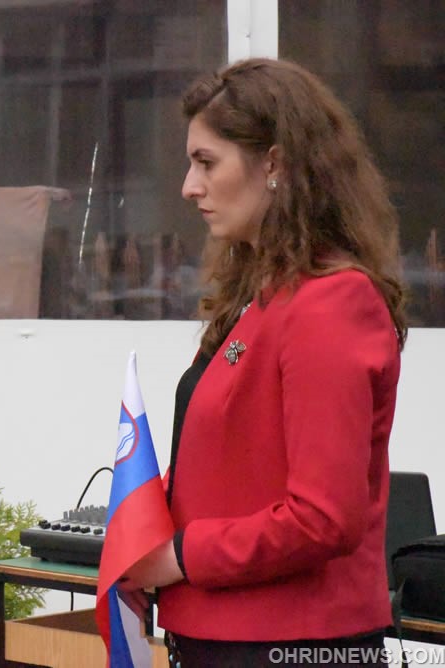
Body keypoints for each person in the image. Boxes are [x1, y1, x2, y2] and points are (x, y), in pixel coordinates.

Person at [116, 58, 408, 666]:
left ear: (274, 164)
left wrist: (178, 556)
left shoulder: (331, 303)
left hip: (292, 645)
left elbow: (324, 518)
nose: (188, 186)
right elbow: (221, 470)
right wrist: (139, 540)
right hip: (222, 637)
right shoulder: (261, 298)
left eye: (206, 162)